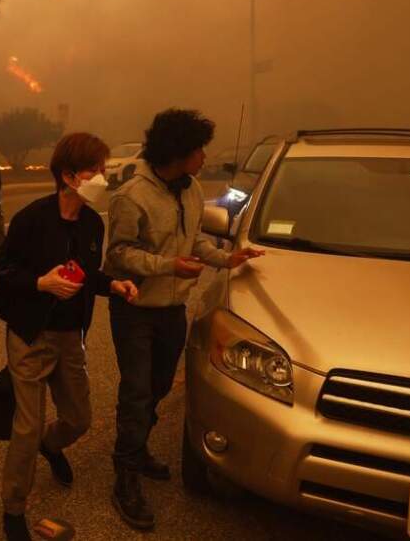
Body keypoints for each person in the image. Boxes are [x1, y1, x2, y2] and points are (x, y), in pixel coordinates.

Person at [104, 109, 264, 530]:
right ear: (177, 152)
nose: (205, 158)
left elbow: (194, 242)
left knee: (157, 387)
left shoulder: (191, 189)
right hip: (135, 310)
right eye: (198, 150)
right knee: (136, 392)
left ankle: (136, 450)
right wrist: (167, 266)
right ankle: (125, 476)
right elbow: (117, 256)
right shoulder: (131, 196)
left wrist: (229, 259)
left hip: (173, 310)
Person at [0, 132, 140, 541]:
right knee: (26, 426)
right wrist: (41, 283)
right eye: (96, 170)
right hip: (29, 335)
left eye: (104, 169)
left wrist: (114, 285)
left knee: (79, 418)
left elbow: (87, 273)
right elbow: (2, 273)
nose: (103, 178)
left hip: (70, 336)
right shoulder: (31, 219)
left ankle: (52, 445)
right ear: (69, 175)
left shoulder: (93, 223)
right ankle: (13, 507)